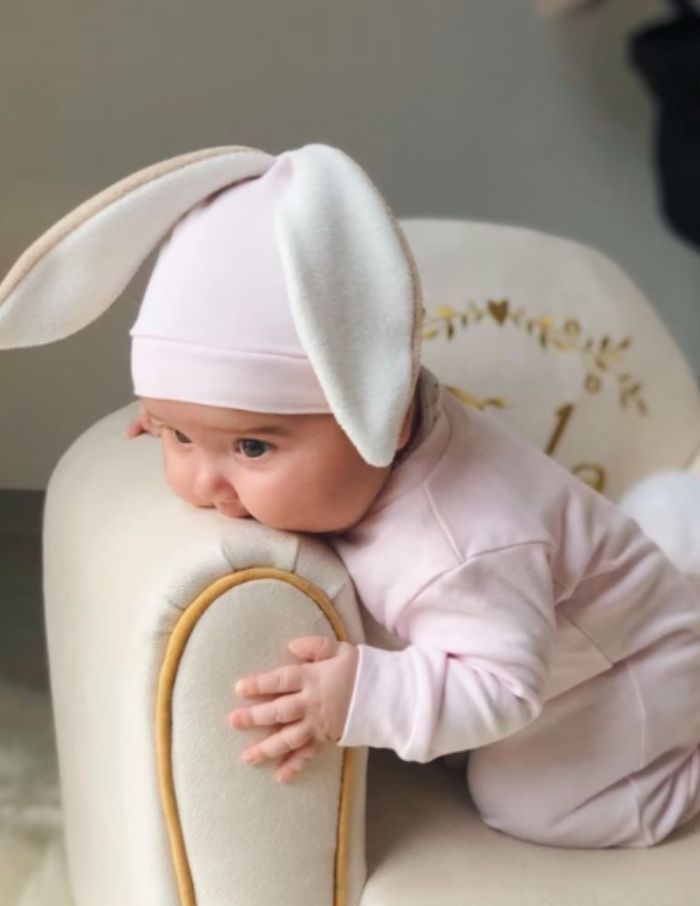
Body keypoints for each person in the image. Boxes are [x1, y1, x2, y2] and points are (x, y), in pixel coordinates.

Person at [3, 142, 700, 848]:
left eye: (250, 447)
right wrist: (194, 420)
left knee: (531, 804)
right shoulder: (350, 462)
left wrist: (361, 696)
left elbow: (506, 688)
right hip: (539, 626)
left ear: (387, 424)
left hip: (620, 673)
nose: (204, 483)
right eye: (176, 435)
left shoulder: (466, 542)